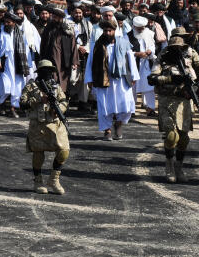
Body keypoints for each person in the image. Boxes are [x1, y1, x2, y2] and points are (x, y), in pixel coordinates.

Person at [147, 35, 199, 183]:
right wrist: (170, 79)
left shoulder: (190, 57)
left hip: (184, 102)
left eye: (180, 47)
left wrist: (194, 88)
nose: (178, 50)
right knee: (171, 136)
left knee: (183, 139)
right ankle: (169, 165)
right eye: (174, 47)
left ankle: (179, 167)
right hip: (166, 100)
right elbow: (152, 79)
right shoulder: (162, 59)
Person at [20, 59, 70, 195]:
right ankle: (38, 180)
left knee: (64, 150)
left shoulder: (56, 87)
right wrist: (38, 100)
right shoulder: (31, 87)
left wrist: (58, 108)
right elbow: (22, 103)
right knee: (38, 154)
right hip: (38, 125)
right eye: (45, 71)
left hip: (55, 124)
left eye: (51, 71)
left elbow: (64, 101)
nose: (49, 74)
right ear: (40, 72)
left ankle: (54, 179)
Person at [85, 19, 139, 141]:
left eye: (110, 30)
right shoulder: (97, 45)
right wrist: (89, 78)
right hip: (103, 79)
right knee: (104, 105)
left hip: (121, 79)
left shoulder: (124, 42)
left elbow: (131, 59)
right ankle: (107, 130)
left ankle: (119, 123)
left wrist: (134, 76)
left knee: (126, 104)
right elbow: (90, 63)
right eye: (105, 31)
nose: (108, 33)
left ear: (115, 31)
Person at [0, 13, 31, 118]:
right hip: (5, 62)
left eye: (9, 22)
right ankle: (2, 103)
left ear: (14, 23)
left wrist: (26, 63)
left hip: (18, 62)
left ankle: (13, 108)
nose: (6, 24)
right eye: (5, 22)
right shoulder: (1, 32)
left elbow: (25, 48)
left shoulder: (20, 33)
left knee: (17, 86)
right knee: (6, 85)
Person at [39, 8, 78, 92]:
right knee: (51, 78)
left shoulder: (68, 28)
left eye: (56, 17)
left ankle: (62, 98)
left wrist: (74, 61)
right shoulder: (49, 27)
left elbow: (73, 45)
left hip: (64, 59)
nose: (53, 18)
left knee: (63, 79)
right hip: (49, 57)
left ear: (61, 18)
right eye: (53, 16)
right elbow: (43, 44)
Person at [128, 16, 156, 116]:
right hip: (133, 64)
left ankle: (150, 108)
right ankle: (131, 110)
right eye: (138, 28)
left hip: (146, 64)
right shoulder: (128, 36)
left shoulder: (149, 34)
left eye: (142, 28)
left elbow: (152, 46)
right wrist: (136, 54)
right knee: (132, 88)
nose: (140, 30)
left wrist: (150, 51)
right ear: (134, 27)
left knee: (149, 87)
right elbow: (126, 51)